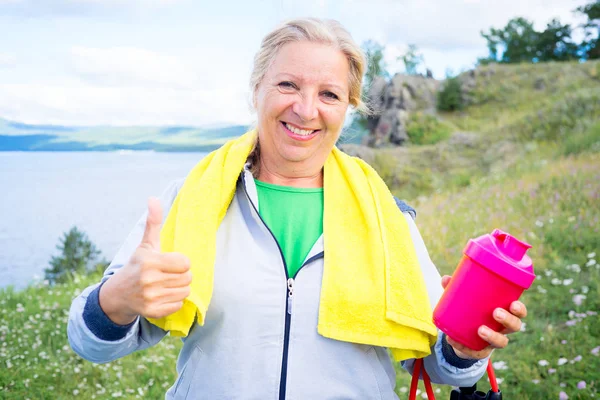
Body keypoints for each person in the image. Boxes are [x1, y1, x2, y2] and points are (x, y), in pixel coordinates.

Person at [67, 18, 527, 400]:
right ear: (257, 90)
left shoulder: (387, 216)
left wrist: (467, 349)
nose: (306, 110)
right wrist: (117, 301)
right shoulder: (190, 200)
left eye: (330, 95)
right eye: (288, 84)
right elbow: (89, 343)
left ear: (348, 108)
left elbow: (436, 364)